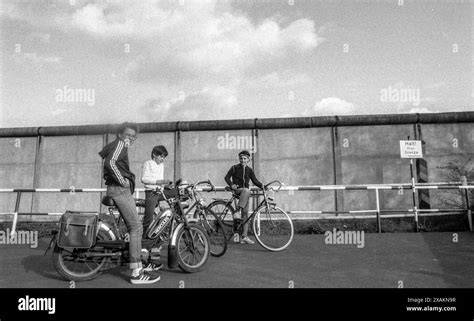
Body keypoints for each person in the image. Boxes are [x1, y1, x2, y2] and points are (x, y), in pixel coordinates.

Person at [99, 122, 161, 284]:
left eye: (134, 136)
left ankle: (138, 261)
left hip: (117, 190)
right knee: (136, 227)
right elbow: (110, 164)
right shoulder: (120, 145)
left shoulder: (116, 145)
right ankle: (136, 272)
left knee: (133, 226)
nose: (131, 139)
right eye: (128, 135)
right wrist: (123, 181)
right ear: (120, 134)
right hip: (120, 190)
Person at [141, 145, 174, 261]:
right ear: (154, 155)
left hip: (160, 191)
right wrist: (159, 181)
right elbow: (144, 179)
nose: (162, 158)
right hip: (151, 192)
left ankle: (177, 214)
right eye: (161, 156)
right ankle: (144, 244)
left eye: (164, 157)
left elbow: (161, 180)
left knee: (176, 191)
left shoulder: (162, 166)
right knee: (148, 219)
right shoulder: (148, 163)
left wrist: (166, 184)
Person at [224, 150, 264, 244]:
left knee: (245, 215)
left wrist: (263, 186)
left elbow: (255, 181)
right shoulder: (234, 168)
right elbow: (226, 177)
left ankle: (244, 237)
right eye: (241, 158)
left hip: (245, 195)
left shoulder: (249, 170)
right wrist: (231, 184)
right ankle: (237, 211)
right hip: (238, 191)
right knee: (246, 190)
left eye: (245, 158)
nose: (242, 160)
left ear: (248, 159)